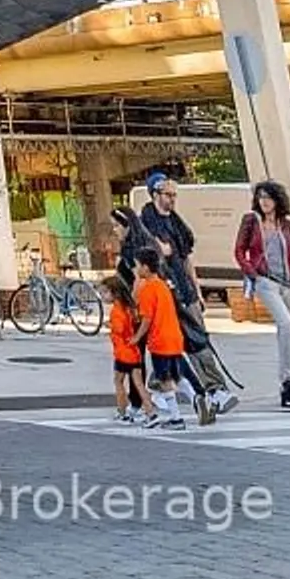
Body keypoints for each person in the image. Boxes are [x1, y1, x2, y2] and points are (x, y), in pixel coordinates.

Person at [136, 171, 239, 419]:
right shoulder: (146, 225)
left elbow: (186, 258)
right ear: (155, 194)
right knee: (180, 344)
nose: (172, 199)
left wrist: (197, 290)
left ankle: (209, 389)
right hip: (166, 293)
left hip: (185, 290)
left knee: (196, 340)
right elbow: (145, 263)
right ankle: (209, 389)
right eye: (167, 195)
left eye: (174, 195)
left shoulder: (178, 225)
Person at [236, 180, 290, 410]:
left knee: (288, 331)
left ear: (277, 200)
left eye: (268, 197)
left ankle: (288, 387)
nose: (264, 201)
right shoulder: (251, 221)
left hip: (289, 285)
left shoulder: (289, 226)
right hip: (266, 281)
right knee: (285, 324)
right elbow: (239, 250)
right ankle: (289, 379)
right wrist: (252, 274)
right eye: (260, 197)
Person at [132, 259, 196, 430]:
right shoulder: (163, 286)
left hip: (159, 340)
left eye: (138, 265)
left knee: (164, 379)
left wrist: (137, 337)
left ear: (146, 266)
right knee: (177, 375)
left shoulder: (148, 289)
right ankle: (195, 398)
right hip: (175, 337)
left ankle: (176, 418)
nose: (136, 269)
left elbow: (147, 318)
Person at [101, 271, 150, 425]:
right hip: (132, 351)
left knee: (118, 381)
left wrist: (110, 325)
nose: (103, 296)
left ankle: (122, 411)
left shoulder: (117, 310)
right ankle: (150, 410)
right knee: (139, 383)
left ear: (113, 293)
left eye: (105, 292)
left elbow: (120, 328)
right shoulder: (129, 307)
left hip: (123, 352)